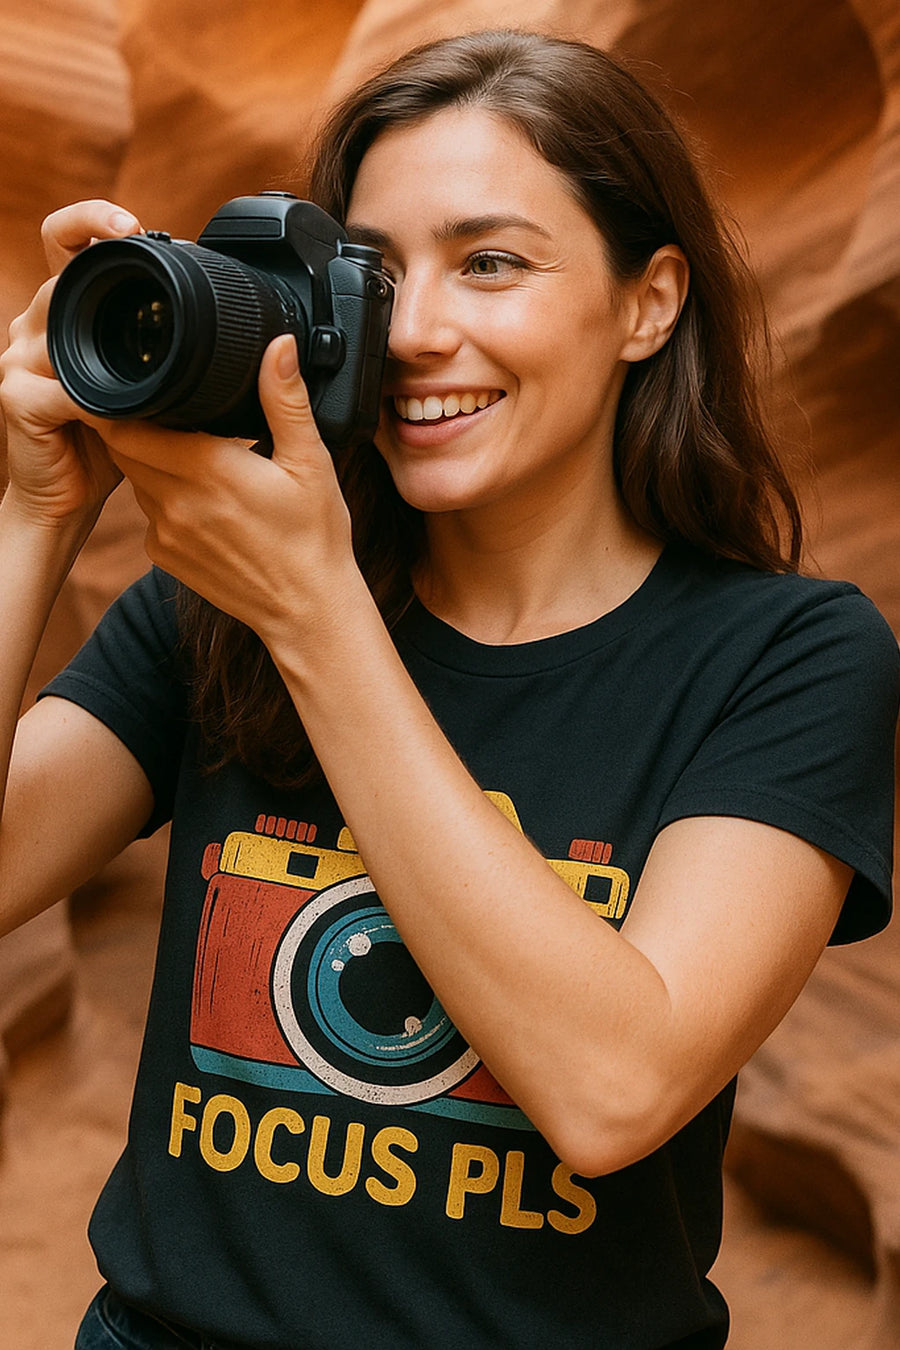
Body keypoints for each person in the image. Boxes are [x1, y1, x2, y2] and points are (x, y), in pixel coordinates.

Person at [0, 27, 896, 1350]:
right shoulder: (221, 609)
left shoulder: (788, 658)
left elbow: (613, 1089)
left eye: (490, 262)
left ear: (649, 301)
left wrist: (318, 612)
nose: (418, 333)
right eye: (373, 273)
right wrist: (36, 516)